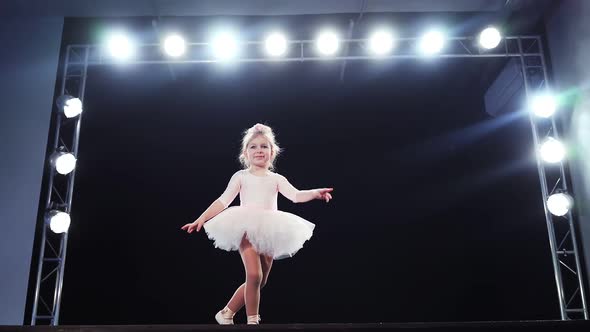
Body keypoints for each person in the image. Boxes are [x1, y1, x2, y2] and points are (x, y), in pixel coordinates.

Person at [181, 123, 333, 325]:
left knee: (260, 281)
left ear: (272, 152)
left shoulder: (277, 178)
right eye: (253, 146)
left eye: (264, 146)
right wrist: (202, 218)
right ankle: (253, 321)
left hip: (270, 228)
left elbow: (295, 195)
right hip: (246, 226)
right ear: (245, 153)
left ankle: (226, 312)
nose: (259, 150)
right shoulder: (241, 176)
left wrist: (314, 193)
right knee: (254, 274)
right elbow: (223, 201)